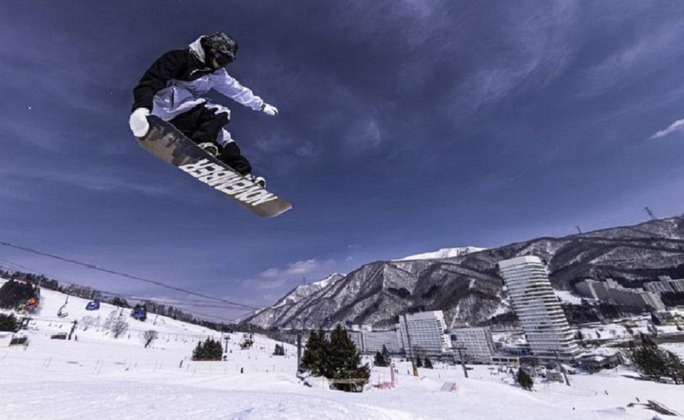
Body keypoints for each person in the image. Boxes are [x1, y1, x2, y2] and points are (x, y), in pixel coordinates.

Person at [129, 32, 278, 186]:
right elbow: (151, 81)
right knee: (218, 113)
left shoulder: (217, 75)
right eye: (221, 59)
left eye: (226, 62)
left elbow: (238, 90)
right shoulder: (179, 58)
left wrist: (260, 105)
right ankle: (201, 145)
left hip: (188, 113)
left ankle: (243, 175)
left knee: (222, 137)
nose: (221, 65)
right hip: (165, 105)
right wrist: (141, 108)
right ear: (210, 50)